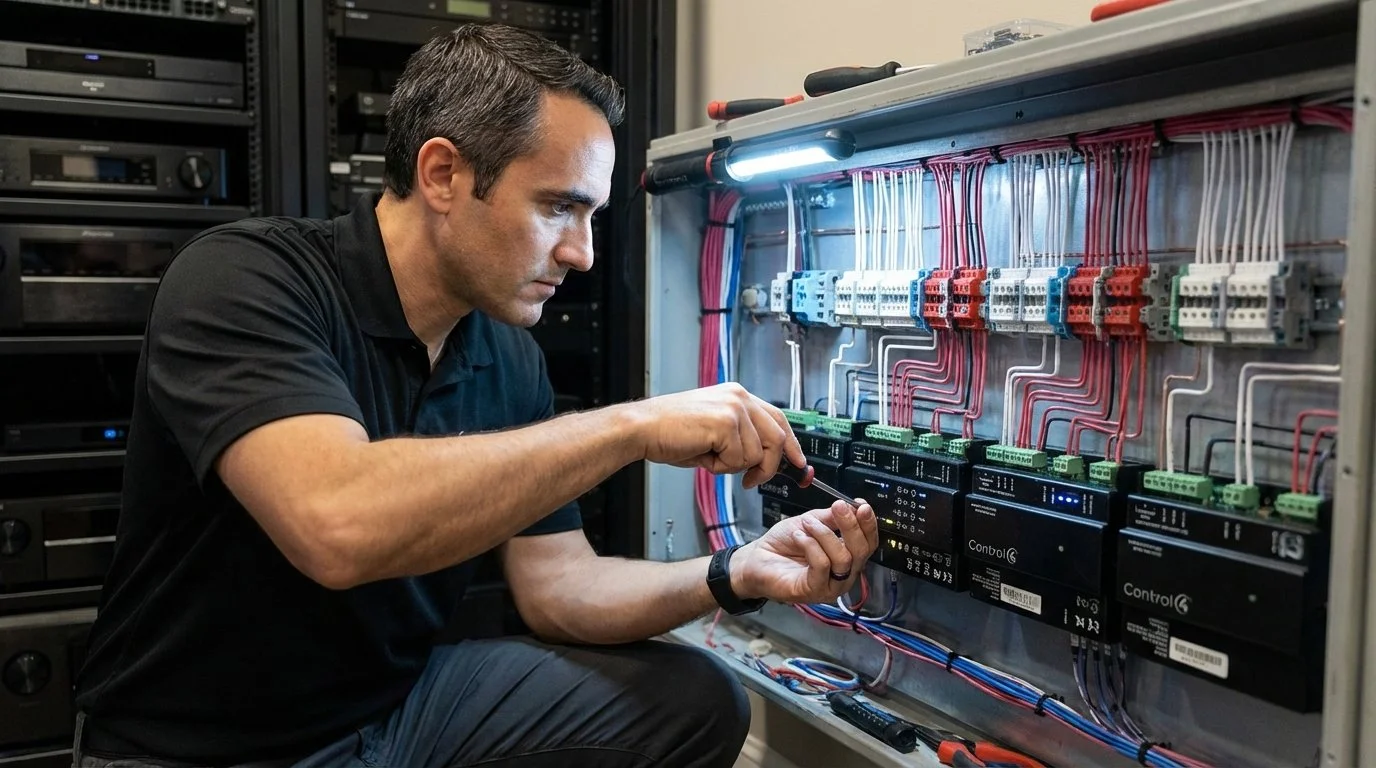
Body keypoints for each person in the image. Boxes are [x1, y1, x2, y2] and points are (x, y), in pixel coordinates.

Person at [72, 23, 879, 768]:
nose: (583, 252)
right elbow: (337, 525)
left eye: (591, 214)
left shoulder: (503, 353)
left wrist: (736, 570)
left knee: (694, 700)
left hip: (395, 714)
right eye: (559, 207)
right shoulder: (245, 280)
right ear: (443, 174)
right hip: (199, 750)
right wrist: (633, 426)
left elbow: (560, 589)